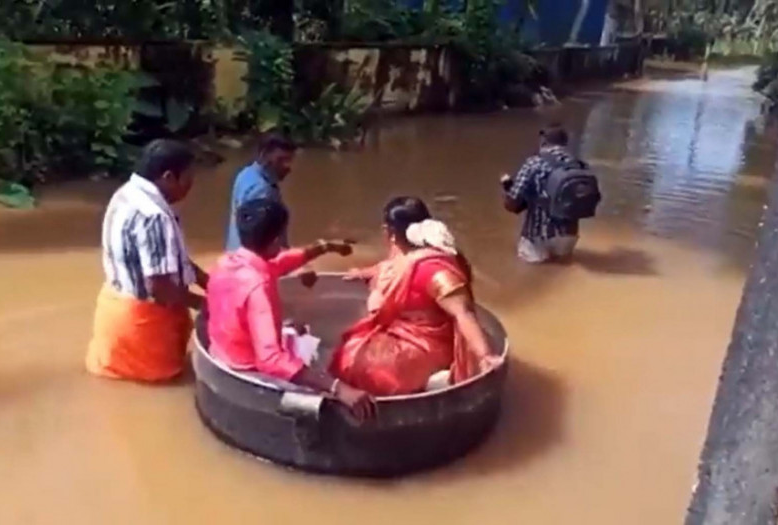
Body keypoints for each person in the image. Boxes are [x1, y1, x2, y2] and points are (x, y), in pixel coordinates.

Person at [208, 198, 376, 420]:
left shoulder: (225, 263)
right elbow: (270, 360)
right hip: (249, 376)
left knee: (297, 331)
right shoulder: (258, 285)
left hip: (220, 359)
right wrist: (338, 387)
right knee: (327, 389)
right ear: (277, 239)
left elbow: (278, 263)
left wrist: (323, 248)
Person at [330, 197, 502, 397]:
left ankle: (437, 379)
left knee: (364, 368)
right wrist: (364, 273)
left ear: (390, 233)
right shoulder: (405, 253)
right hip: (403, 329)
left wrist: (485, 356)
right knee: (351, 349)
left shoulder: (435, 271)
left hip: (430, 340)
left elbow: (463, 313)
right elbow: (388, 267)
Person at [87, 139, 208, 382]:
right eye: (188, 177)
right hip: (143, 326)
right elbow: (161, 288)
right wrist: (208, 307)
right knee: (165, 386)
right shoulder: (155, 216)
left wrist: (214, 286)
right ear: (169, 177)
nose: (191, 185)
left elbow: (175, 259)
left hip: (114, 312)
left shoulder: (125, 194)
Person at [226, 133, 317, 286]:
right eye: (281, 160)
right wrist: (298, 265)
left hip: (236, 260)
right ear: (263, 155)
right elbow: (260, 240)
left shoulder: (245, 175)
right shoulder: (262, 191)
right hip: (253, 271)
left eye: (289, 160)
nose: (287, 167)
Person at [501, 124, 593, 264]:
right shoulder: (579, 165)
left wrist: (507, 187)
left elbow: (513, 203)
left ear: (543, 142)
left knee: (529, 273)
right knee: (563, 270)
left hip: (538, 236)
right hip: (568, 236)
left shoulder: (534, 163)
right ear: (565, 143)